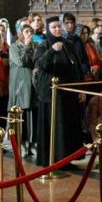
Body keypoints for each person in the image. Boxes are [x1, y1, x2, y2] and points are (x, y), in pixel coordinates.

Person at [34, 16, 84, 164]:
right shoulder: (43, 46)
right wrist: (52, 51)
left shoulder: (68, 44)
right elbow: (40, 65)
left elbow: (76, 68)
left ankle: (67, 159)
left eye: (58, 27)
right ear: (48, 29)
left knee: (68, 127)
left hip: (68, 92)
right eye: (53, 27)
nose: (57, 29)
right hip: (51, 94)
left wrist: (80, 89)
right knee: (55, 128)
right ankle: (53, 160)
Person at [9, 22, 37, 159]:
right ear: (20, 33)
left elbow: (36, 61)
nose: (29, 34)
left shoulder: (35, 46)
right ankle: (21, 143)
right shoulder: (14, 48)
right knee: (21, 115)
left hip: (31, 85)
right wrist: (26, 46)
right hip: (19, 85)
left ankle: (32, 143)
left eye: (30, 31)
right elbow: (21, 62)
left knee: (31, 115)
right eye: (26, 31)